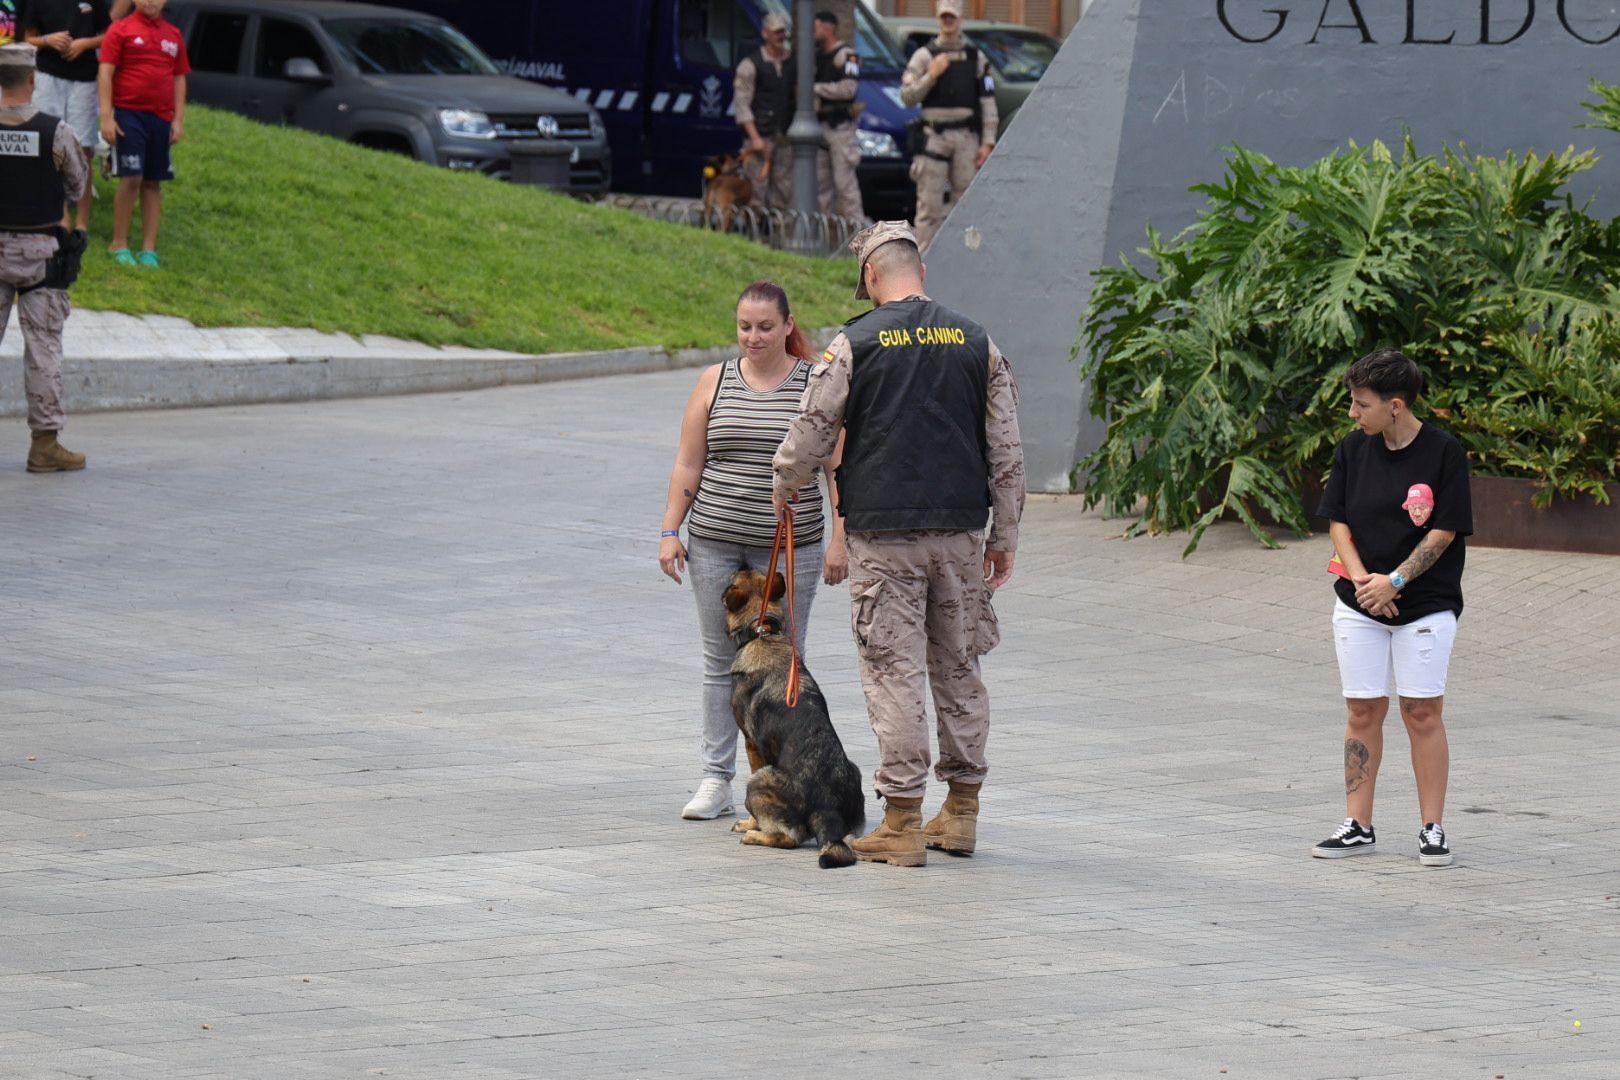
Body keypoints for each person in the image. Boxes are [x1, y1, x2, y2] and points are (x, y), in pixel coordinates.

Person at [773, 221, 1024, 867]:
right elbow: (1007, 451)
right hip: (962, 536)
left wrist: (785, 484)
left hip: (885, 539)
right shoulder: (978, 341)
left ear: (870, 277)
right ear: (922, 273)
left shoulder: (854, 343)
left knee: (895, 674)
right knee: (960, 670)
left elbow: (813, 427)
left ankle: (904, 821)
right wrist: (1006, 536)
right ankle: (962, 812)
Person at [660, 281, 848, 821]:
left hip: (789, 546)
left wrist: (841, 535)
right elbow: (688, 463)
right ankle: (716, 779)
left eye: (766, 326)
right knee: (721, 661)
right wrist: (671, 530)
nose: (754, 336)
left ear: (789, 326)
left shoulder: (816, 383)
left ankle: (784, 778)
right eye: (745, 326)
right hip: (715, 537)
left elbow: (837, 467)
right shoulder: (713, 381)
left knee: (785, 663)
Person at [1313, 348, 1472, 868]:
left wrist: (1396, 580)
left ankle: (1432, 827)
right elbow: (1336, 520)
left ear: (1396, 405)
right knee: (1362, 710)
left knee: (1420, 712)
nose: (1353, 413)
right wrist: (1363, 580)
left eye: (1361, 404)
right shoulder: (1352, 450)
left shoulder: (1444, 453)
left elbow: (1443, 530)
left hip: (1424, 605)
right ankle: (1358, 824)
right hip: (1359, 602)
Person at [0, 42, 91, 473]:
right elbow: (77, 186)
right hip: (40, 254)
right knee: (43, 349)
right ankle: (44, 446)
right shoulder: (56, 131)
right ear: (33, 80)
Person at [900, 0, 998, 252]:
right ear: (937, 19)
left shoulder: (976, 57)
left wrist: (988, 141)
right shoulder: (924, 55)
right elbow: (907, 96)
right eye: (944, 17)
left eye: (952, 17)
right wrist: (931, 75)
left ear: (961, 19)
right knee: (929, 207)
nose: (948, 22)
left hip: (966, 138)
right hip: (934, 136)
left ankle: (965, 258)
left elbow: (988, 101)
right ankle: (924, 263)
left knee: (967, 205)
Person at [97, 0, 187, 268]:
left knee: (152, 181)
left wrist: (178, 119)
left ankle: (149, 249)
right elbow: (105, 72)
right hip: (128, 114)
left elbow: (179, 77)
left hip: (160, 118)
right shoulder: (120, 29)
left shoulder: (174, 35)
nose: (150, 1)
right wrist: (106, 116)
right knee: (132, 177)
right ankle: (119, 242)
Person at [23, 0, 114, 231]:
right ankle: (61, 215)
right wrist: (48, 40)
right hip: (47, 78)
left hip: (83, 80)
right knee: (49, 145)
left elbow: (109, 34)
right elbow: (29, 38)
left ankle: (82, 222)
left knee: (83, 149)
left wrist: (85, 43)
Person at [732, 12, 793, 214]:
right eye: (776, 32)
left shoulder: (790, 62)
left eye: (783, 31)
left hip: (783, 137)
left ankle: (777, 233)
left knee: (783, 192)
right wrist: (755, 138)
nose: (780, 36)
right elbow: (741, 104)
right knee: (756, 190)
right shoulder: (750, 64)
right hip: (759, 137)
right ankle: (754, 235)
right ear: (765, 33)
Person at [812, 10, 864, 221]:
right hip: (821, 127)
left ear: (828, 28)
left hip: (840, 128)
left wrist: (816, 88)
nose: (812, 33)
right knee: (821, 188)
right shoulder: (817, 56)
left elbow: (849, 89)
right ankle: (829, 239)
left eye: (815, 28)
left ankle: (859, 235)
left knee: (845, 187)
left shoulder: (847, 56)